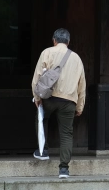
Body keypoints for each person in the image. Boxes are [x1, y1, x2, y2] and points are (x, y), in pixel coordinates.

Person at [31, 28, 86, 179]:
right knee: (66, 134)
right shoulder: (76, 58)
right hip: (69, 101)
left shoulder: (47, 52)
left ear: (54, 40)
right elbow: (82, 85)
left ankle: (43, 151)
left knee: (41, 119)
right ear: (68, 42)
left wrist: (37, 97)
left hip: (49, 97)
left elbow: (37, 77)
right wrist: (80, 106)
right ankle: (64, 169)